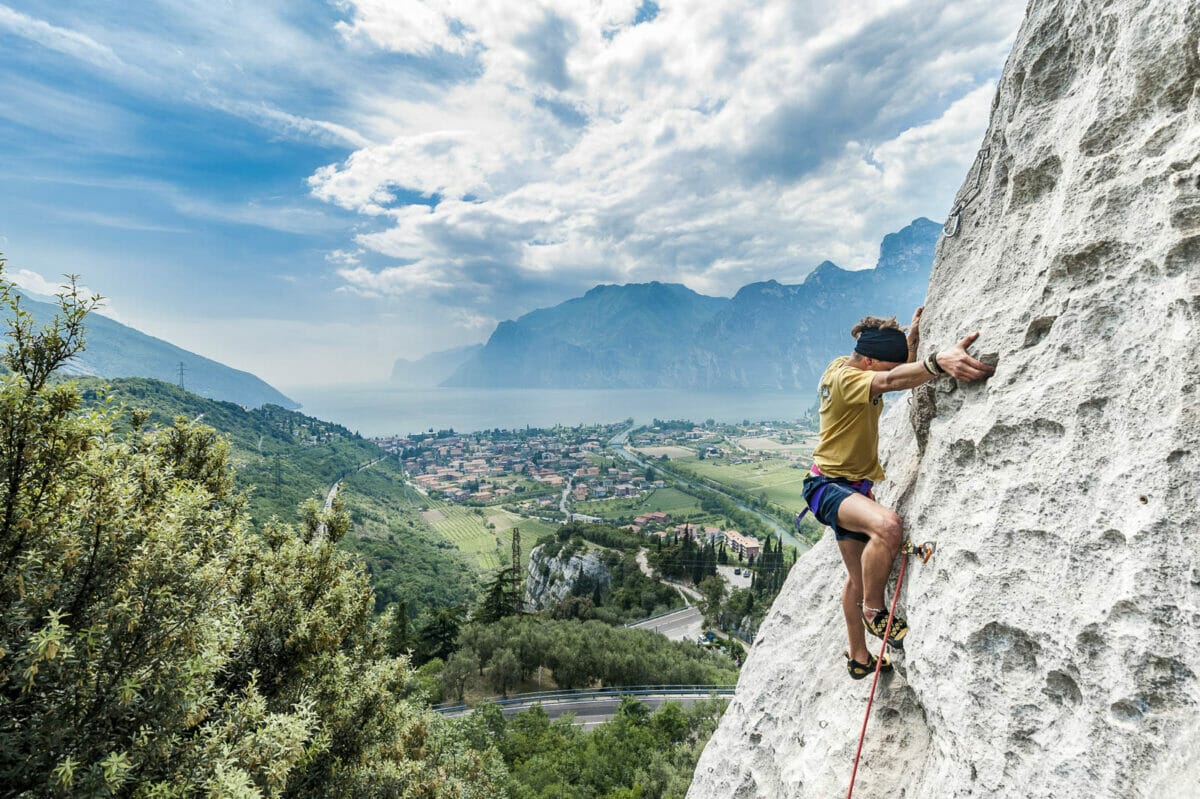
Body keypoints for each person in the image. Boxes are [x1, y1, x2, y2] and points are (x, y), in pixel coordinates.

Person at [801, 308, 994, 679]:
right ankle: (875, 613)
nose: (886, 372)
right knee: (888, 527)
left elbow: (892, 371)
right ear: (869, 361)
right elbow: (890, 381)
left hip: (848, 485)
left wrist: (913, 340)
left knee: (857, 579)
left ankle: (859, 657)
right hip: (828, 487)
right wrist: (938, 362)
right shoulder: (847, 381)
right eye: (882, 365)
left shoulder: (847, 363)